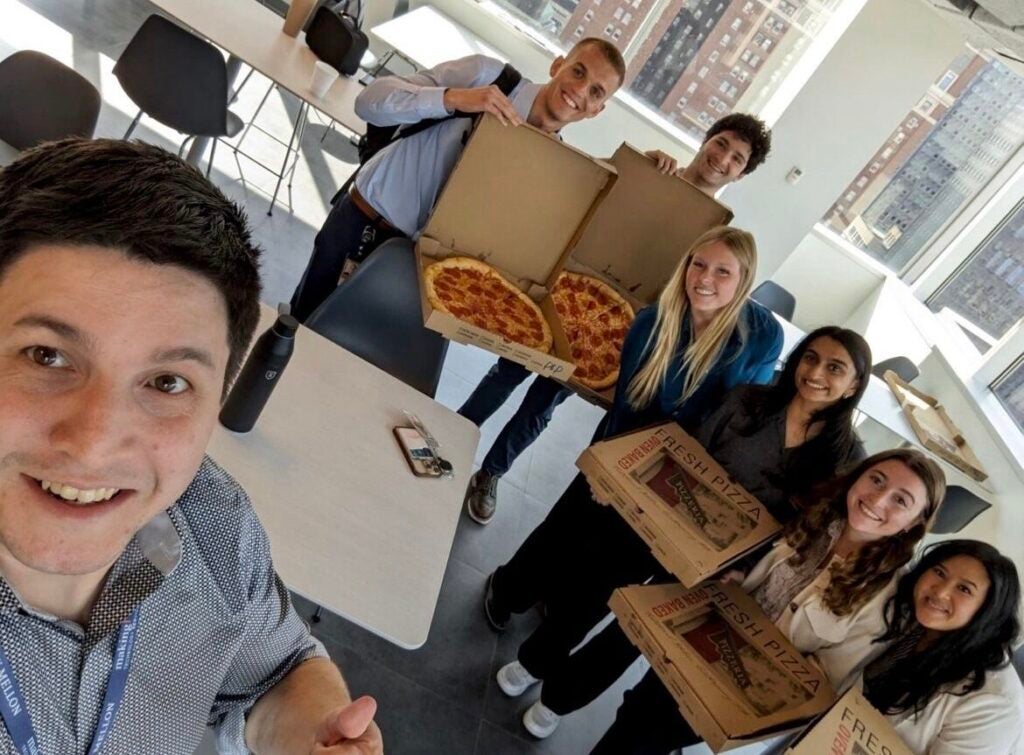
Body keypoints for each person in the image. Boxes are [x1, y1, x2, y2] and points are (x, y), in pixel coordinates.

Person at [0, 138, 381, 754]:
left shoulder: (214, 522)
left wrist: (313, 733)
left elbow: (275, 671)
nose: (94, 443)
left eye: (167, 383)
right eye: (47, 355)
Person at [499, 326, 874, 737]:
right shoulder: (749, 399)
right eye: (811, 357)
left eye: (835, 367)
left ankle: (559, 700)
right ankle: (535, 660)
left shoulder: (847, 458)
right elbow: (688, 449)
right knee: (592, 589)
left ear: (854, 385)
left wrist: (744, 574)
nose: (816, 371)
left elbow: (808, 530)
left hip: (724, 565)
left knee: (632, 635)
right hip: (667, 519)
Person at [462, 112, 774, 525]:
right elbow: (593, 205)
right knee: (506, 372)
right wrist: (634, 170)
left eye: (737, 158)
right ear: (707, 139)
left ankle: (490, 474)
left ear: (742, 173)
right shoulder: (650, 171)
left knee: (541, 403)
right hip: (571, 292)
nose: (723, 158)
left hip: (614, 328)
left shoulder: (712, 233)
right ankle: (451, 434)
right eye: (722, 144)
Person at [484, 225, 782, 637]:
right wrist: (611, 476)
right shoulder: (651, 324)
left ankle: (553, 600)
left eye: (722, 272)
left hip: (682, 472)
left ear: (744, 279)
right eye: (699, 265)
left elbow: (748, 406)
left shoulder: (763, 335)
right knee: (567, 527)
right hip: (624, 446)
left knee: (605, 556)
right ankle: (507, 590)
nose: (705, 280)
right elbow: (627, 408)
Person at [589, 448, 946, 755]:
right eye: (877, 480)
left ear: (912, 525)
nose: (878, 499)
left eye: (901, 500)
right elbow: (769, 578)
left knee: (644, 739)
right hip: (700, 639)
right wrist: (742, 581)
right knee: (637, 711)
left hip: (736, 691)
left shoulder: (885, 599)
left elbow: (826, 679)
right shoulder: (817, 516)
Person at [288, 38, 626, 323]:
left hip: (428, 274)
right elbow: (369, 102)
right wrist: (453, 99)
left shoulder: (553, 166)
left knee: (355, 371)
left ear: (597, 110)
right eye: (578, 71)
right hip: (364, 226)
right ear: (557, 65)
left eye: (596, 92)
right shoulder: (487, 75)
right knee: (298, 332)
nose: (579, 90)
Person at [859, 539, 1023, 754]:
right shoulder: (915, 626)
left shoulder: (994, 703)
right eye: (939, 572)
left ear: (987, 610)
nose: (941, 591)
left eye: (964, 589)